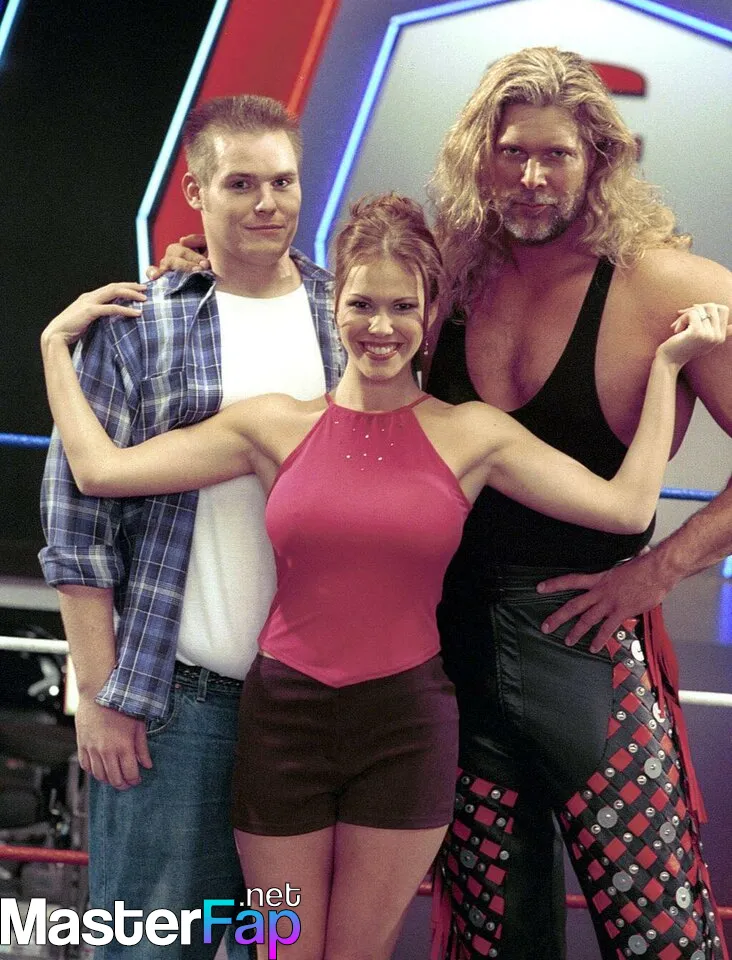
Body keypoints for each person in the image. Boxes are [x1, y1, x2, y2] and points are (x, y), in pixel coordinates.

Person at [40, 193, 726, 960]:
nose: (381, 326)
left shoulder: (474, 434)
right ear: (333, 302)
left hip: (406, 737)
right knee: (278, 949)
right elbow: (99, 471)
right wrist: (54, 349)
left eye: (403, 306)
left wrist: (667, 368)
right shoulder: (271, 424)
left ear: (431, 314)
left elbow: (627, 507)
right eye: (363, 303)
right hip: (279, 733)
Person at [426, 46, 732, 960]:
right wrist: (213, 261)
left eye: (555, 154)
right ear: (479, 156)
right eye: (512, 151)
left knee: (663, 939)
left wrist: (657, 571)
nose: (531, 178)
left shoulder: (665, 285)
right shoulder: (447, 275)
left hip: (590, 651)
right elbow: (330, 304)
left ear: (599, 159)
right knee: (493, 942)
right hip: (453, 652)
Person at [39, 94, 342, 960]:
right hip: (176, 708)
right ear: (196, 191)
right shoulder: (141, 323)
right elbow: (76, 523)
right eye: (241, 183)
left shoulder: (349, 319)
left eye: (283, 181)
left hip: (314, 714)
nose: (267, 203)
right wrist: (100, 694)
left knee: (276, 949)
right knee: (146, 949)